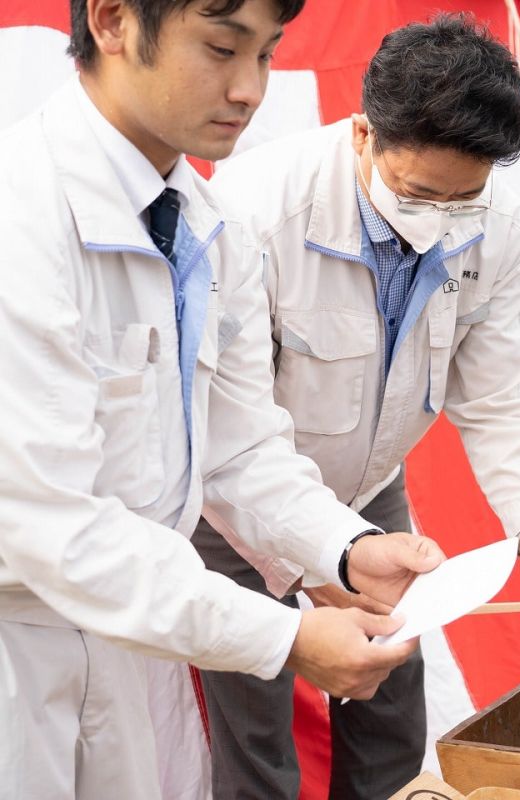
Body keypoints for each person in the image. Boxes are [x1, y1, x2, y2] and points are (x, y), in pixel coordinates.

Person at [0, 1, 451, 796]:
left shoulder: (208, 223)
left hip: (138, 637)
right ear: (111, 20)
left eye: (269, 55)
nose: (248, 89)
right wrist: (285, 636)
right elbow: (53, 526)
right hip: (19, 644)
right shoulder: (22, 217)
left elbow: (240, 445)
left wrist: (343, 548)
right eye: (220, 48)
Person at [194, 14, 520, 799]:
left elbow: (506, 394)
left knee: (391, 684)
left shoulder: (497, 226)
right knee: (256, 709)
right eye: (417, 193)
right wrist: (326, 557)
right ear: (363, 134)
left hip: (371, 486)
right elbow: (229, 432)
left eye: (461, 198)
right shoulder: (253, 214)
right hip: (233, 503)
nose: (437, 216)